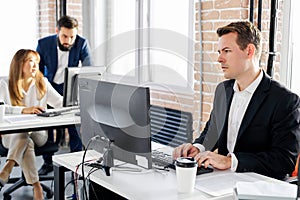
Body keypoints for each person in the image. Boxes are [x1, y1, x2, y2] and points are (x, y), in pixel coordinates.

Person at [173, 21, 300, 180]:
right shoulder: (223, 90)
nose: (219, 58)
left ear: (249, 51)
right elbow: (212, 132)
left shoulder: (285, 100)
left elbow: (284, 160)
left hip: (260, 187)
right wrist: (197, 148)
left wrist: (230, 161)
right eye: (219, 52)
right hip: (223, 181)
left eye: (226, 51)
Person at [0, 49, 63, 200]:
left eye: (37, 62)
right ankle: (37, 186)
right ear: (19, 64)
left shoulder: (42, 83)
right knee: (23, 136)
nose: (35, 65)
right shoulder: (4, 83)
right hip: (11, 136)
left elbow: (61, 103)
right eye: (30, 61)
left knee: (26, 134)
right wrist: (24, 110)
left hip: (39, 134)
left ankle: (8, 167)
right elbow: (1, 108)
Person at [36, 15, 92, 175]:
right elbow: (37, 72)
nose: (68, 40)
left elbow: (89, 70)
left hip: (70, 88)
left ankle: (76, 163)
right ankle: (47, 163)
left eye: (71, 36)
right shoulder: (43, 44)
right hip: (48, 88)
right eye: (64, 36)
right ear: (57, 32)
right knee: (48, 127)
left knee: (74, 126)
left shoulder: (81, 43)